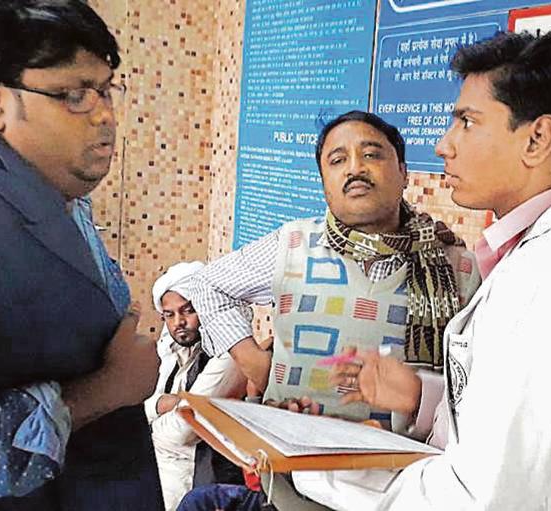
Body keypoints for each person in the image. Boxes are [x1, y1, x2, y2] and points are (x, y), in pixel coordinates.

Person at [332, 28, 551, 510]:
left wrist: (329, 474)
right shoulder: (531, 257)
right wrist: (424, 399)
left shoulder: (547, 279)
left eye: (467, 122)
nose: (445, 145)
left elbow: (483, 497)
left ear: (537, 139)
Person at [184, 110, 481, 509]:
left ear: (404, 171)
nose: (355, 169)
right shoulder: (291, 244)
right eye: (337, 160)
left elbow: (478, 391)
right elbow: (208, 284)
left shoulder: (458, 268)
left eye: (372, 155)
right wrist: (251, 359)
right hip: (292, 483)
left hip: (402, 490)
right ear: (324, 183)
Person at [0, 1, 162, 509]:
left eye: (107, 89)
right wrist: (107, 390)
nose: (106, 114)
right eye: (72, 95)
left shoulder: (56, 191)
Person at [146, 262, 246, 510]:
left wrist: (154, 413)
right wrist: (161, 403)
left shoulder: (229, 351)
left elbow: (180, 430)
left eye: (187, 311)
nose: (178, 322)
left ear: (206, 308)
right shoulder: (172, 345)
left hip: (202, 481)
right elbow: (141, 400)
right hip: (161, 474)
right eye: (169, 315)